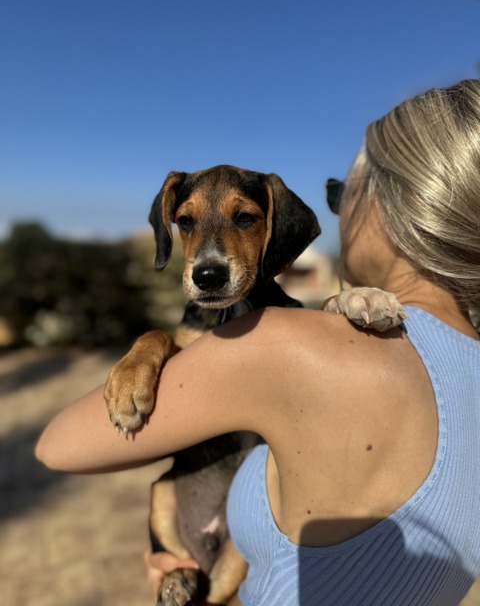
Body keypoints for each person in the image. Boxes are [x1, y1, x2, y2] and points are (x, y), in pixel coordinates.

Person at [36, 79, 480, 606]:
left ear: (393, 204)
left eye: (244, 219)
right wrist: (150, 347)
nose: (208, 254)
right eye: (186, 224)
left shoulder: (272, 340)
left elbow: (55, 446)